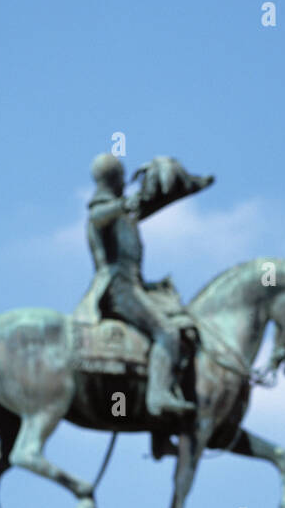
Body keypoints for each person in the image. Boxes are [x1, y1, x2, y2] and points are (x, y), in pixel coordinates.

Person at [75, 153, 213, 419]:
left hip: (135, 286)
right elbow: (99, 216)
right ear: (115, 179)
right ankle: (157, 395)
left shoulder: (125, 212)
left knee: (183, 322)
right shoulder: (102, 210)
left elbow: (154, 202)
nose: (126, 183)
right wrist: (125, 203)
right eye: (122, 179)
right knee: (167, 332)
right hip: (117, 288)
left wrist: (191, 184)